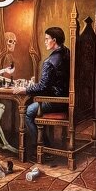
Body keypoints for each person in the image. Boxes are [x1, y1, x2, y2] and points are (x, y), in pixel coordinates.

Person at [23, 27, 70, 160]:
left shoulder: (49, 62)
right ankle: (46, 145)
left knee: (28, 112)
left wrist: (25, 89)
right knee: (34, 105)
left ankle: (43, 148)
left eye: (46, 39)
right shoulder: (68, 53)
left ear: (54, 40)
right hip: (69, 99)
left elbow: (43, 87)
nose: (45, 42)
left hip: (57, 102)